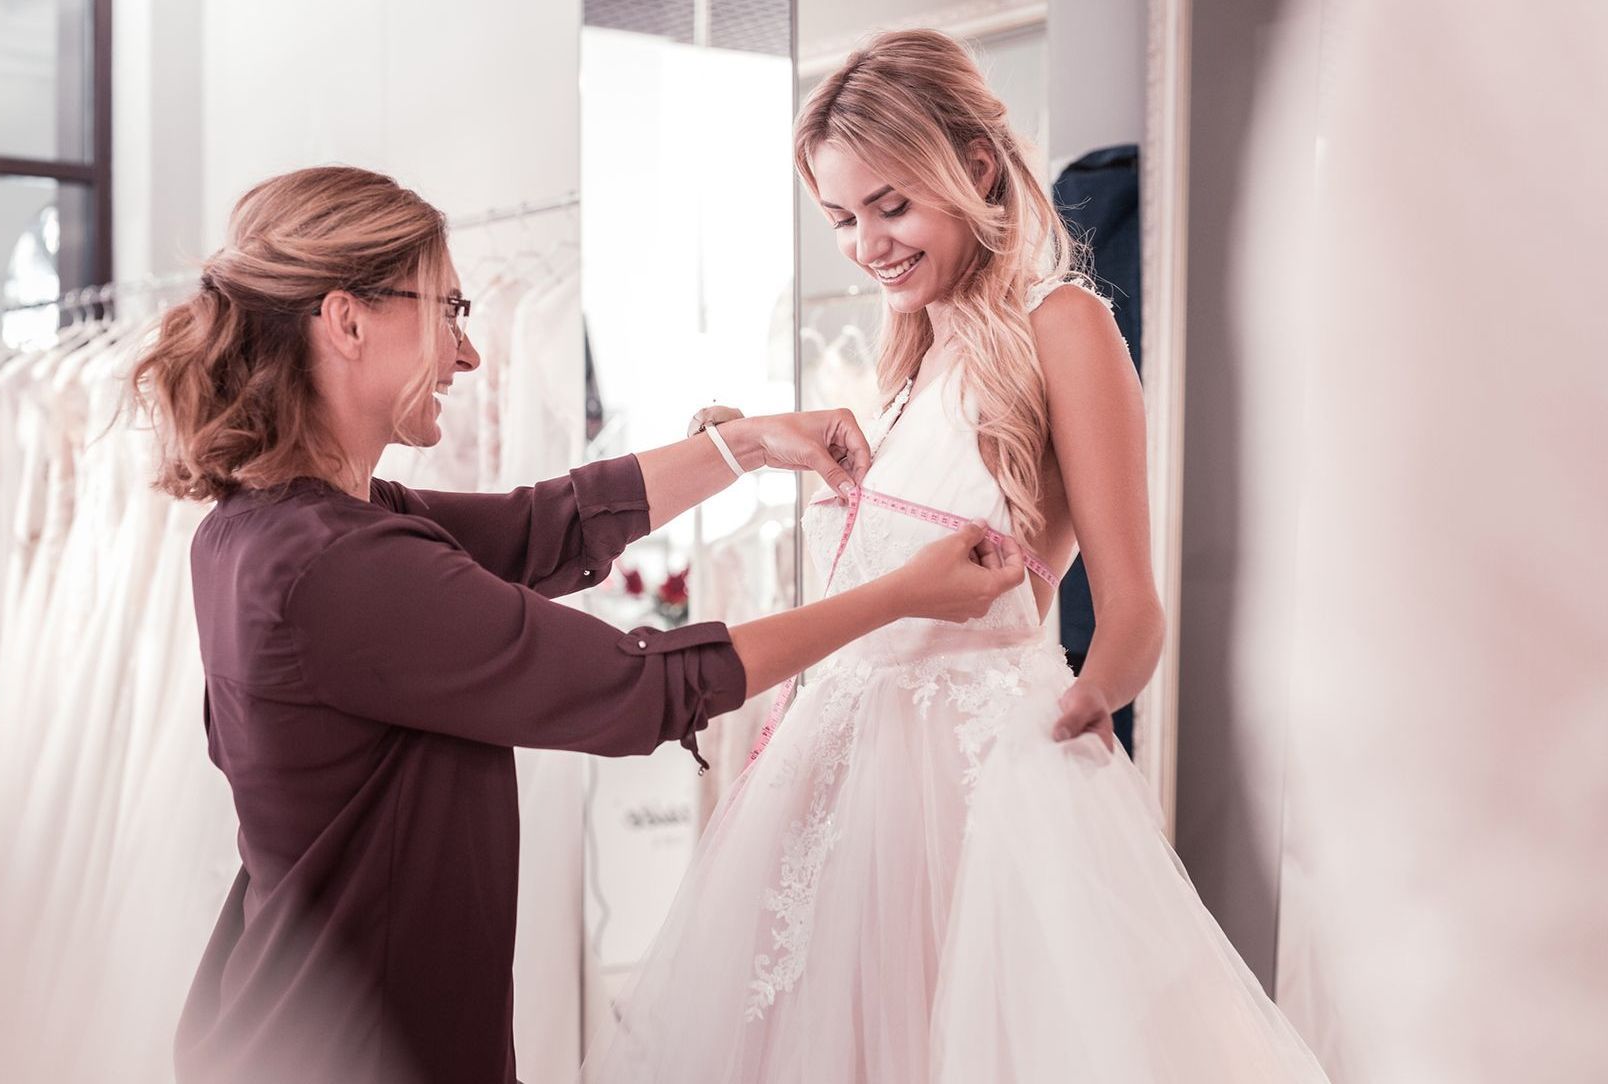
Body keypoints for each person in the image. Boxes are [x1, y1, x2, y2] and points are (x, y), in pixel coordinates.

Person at [129, 164, 1028, 1084]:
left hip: (306, 1023)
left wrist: (749, 444)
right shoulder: (338, 565)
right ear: (347, 320)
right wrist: (895, 597)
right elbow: (642, 689)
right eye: (449, 311)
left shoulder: (273, 525)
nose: (467, 356)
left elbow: (539, 526)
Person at [586, 30, 1331, 1082]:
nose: (866, 244)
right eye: (842, 219)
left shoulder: (1063, 322)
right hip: (838, 779)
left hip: (979, 778)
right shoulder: (914, 349)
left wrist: (1082, 708)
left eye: (892, 206)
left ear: (976, 167)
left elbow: (1133, 610)